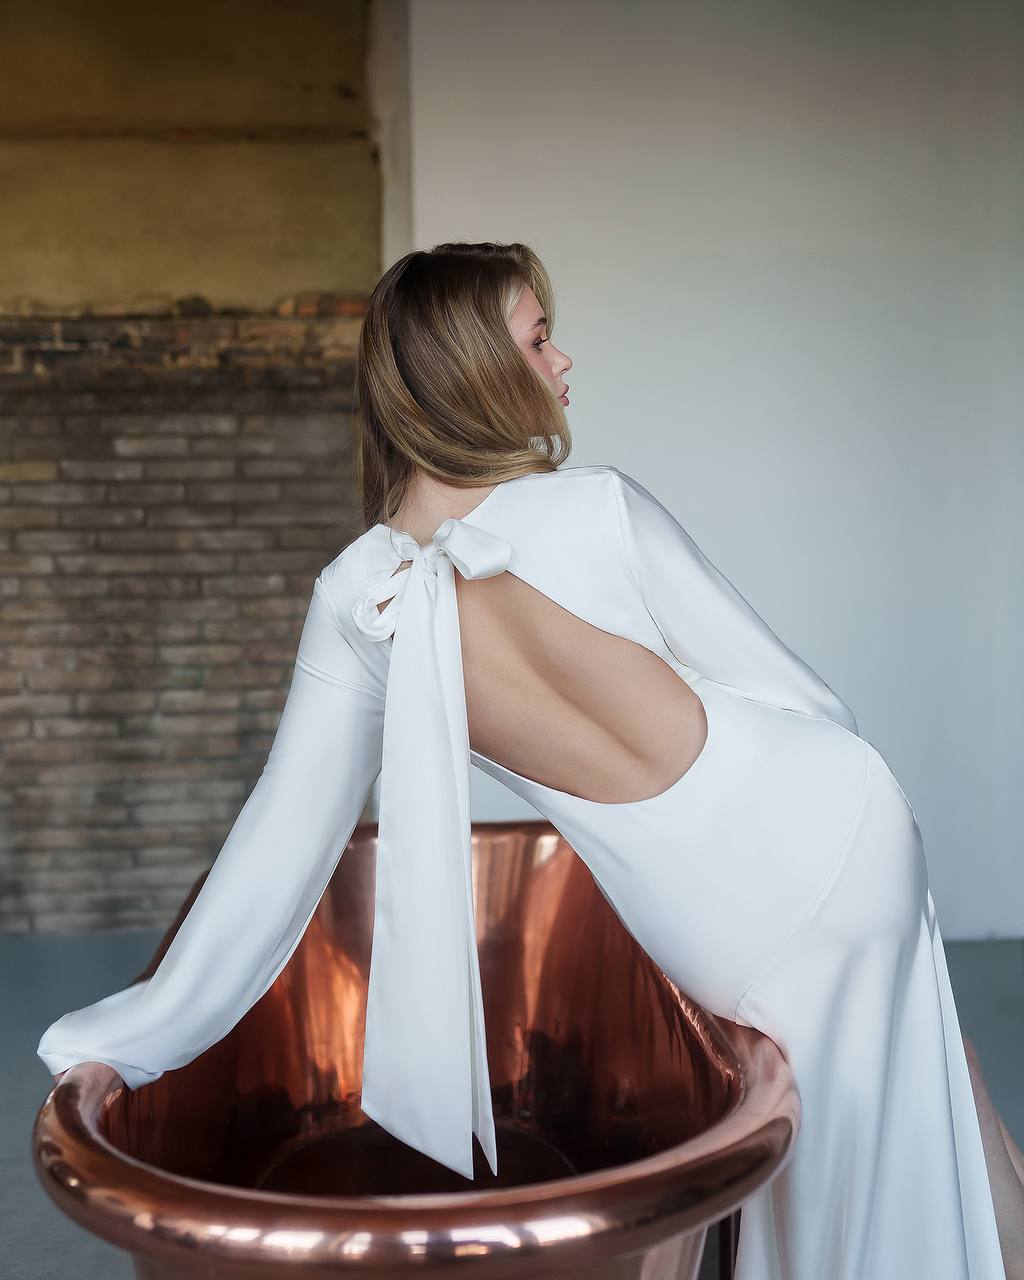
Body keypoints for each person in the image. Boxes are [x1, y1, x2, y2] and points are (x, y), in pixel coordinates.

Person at [39, 242, 1022, 1278]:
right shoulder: (597, 504)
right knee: (898, 1127)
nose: (563, 362)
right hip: (837, 830)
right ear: (471, 367)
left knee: (819, 1155)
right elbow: (814, 704)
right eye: (539, 336)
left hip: (715, 927)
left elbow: (276, 848)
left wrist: (122, 1036)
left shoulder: (354, 597)